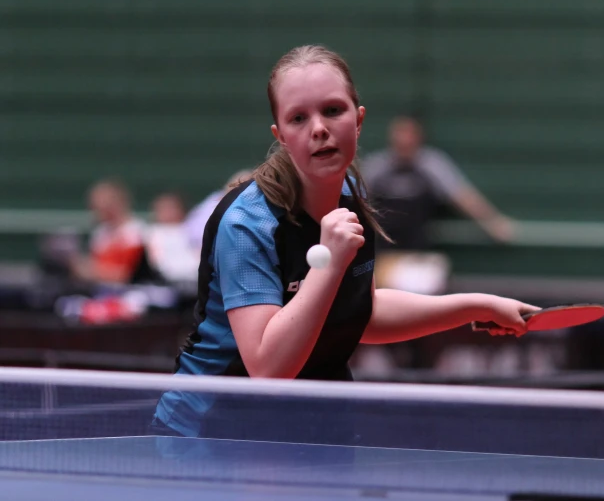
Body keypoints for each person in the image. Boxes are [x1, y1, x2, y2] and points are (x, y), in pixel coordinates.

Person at [151, 45, 538, 438]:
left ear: (359, 120)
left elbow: (360, 314)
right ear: (280, 136)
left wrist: (478, 305)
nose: (318, 127)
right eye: (298, 118)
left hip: (316, 423)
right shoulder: (248, 223)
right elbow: (269, 367)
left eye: (333, 110)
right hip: (213, 432)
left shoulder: (352, 192)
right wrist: (329, 263)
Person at [362, 116, 515, 251]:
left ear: (418, 138)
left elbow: (463, 196)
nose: (404, 140)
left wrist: (493, 222)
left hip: (419, 252)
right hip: (382, 251)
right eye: (400, 134)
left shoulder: (433, 165)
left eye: (409, 135)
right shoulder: (376, 166)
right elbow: (357, 198)